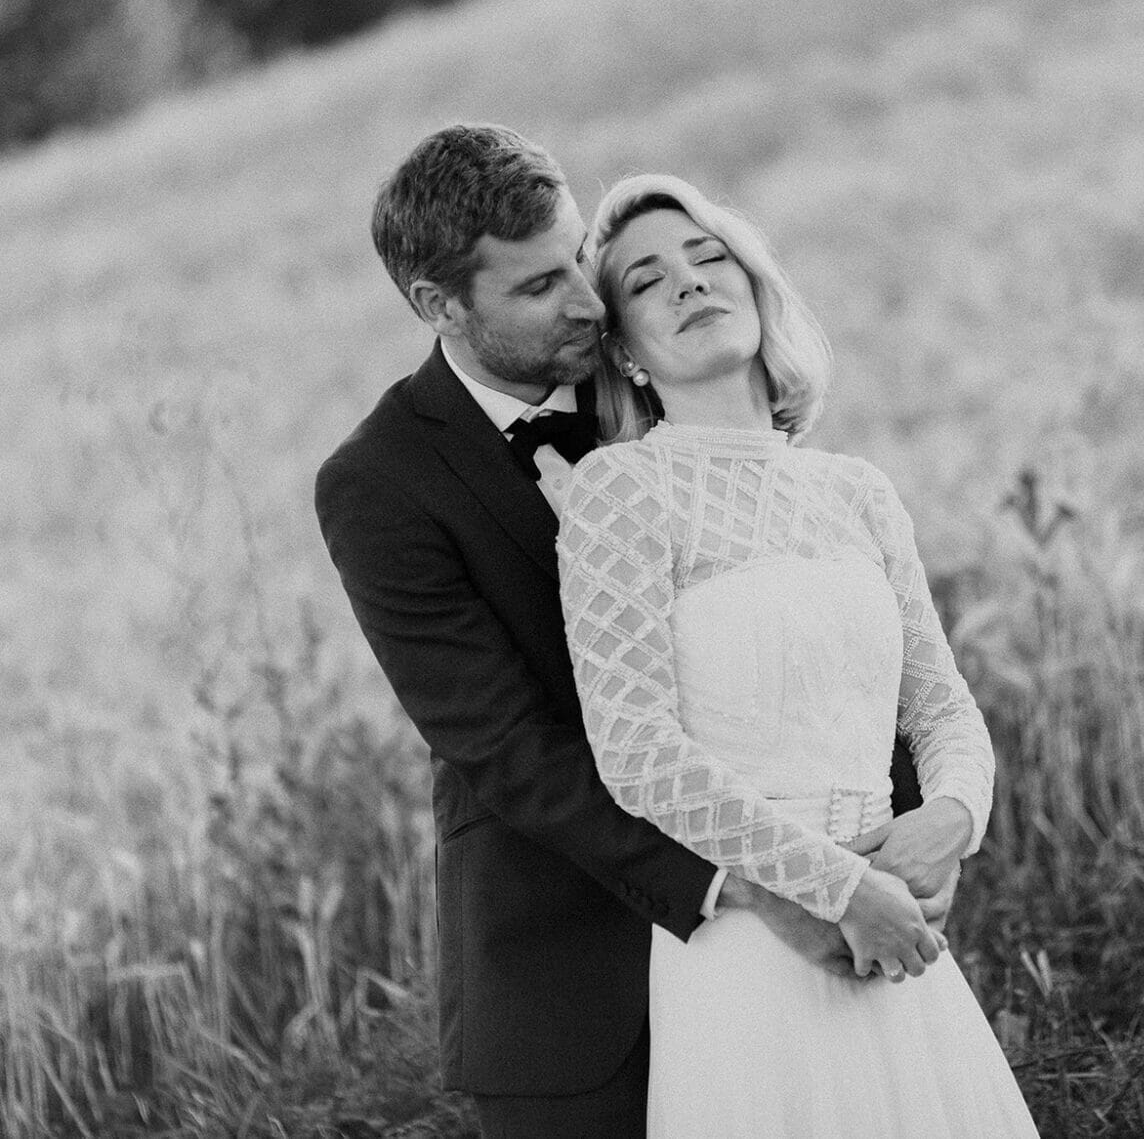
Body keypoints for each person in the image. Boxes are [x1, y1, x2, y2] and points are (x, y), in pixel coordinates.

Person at [314, 125, 936, 1139]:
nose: (587, 300)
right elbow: (506, 746)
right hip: (574, 975)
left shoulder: (665, 372)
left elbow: (819, 622)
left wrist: (889, 848)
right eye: (536, 286)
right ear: (440, 307)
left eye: (577, 258)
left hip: (823, 924)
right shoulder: (379, 485)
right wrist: (752, 886)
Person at [557, 173, 1042, 1137]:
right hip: (751, 952)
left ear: (757, 286)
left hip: (901, 936)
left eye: (708, 258)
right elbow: (637, 754)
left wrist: (949, 818)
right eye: (650, 281)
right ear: (625, 349)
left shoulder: (855, 491)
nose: (690, 284)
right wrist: (835, 885)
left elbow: (940, 705)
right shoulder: (619, 493)